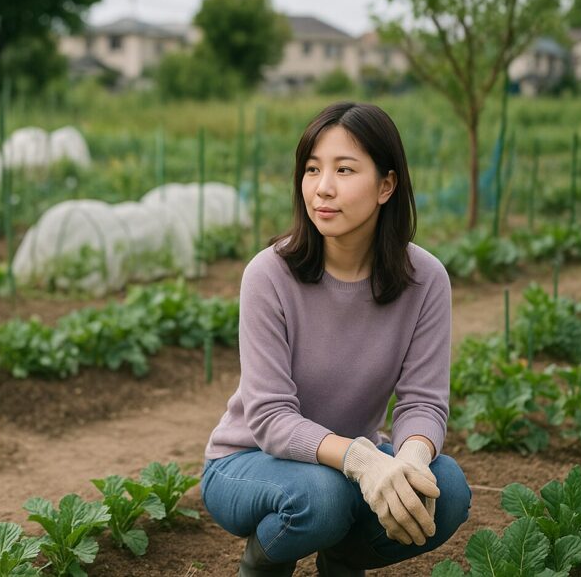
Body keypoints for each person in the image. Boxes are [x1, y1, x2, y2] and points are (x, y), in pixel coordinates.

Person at [201, 102, 471, 576]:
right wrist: (362, 460)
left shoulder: (425, 279)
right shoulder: (269, 275)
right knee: (321, 498)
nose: (322, 188)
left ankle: (343, 562)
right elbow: (269, 416)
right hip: (250, 461)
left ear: (387, 185)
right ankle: (262, 565)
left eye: (344, 170)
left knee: (444, 491)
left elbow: (423, 404)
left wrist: (408, 460)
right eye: (312, 169)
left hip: (348, 466)